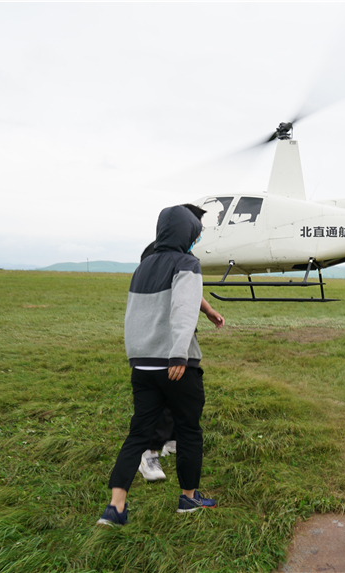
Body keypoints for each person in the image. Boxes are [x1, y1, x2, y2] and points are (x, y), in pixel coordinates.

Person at [97, 205, 216, 526]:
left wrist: (137, 356)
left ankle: (116, 506)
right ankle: (189, 499)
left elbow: (135, 315)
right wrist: (178, 353)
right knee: (189, 432)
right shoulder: (187, 262)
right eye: (196, 232)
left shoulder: (144, 266)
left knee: (137, 434)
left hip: (142, 365)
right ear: (186, 233)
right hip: (178, 365)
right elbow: (183, 308)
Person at [135, 204, 225, 483]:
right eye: (196, 228)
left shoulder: (183, 254)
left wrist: (208, 310)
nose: (199, 235)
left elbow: (186, 291)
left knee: (183, 393)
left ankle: (173, 439)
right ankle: (149, 453)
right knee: (162, 397)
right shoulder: (155, 254)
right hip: (161, 339)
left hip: (180, 335)